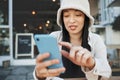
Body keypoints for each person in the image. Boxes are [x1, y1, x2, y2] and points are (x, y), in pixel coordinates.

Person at [33, 0, 112, 80]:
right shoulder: (54, 38)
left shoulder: (96, 40)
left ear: (86, 18)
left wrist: (92, 64)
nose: (71, 21)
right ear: (62, 19)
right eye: (66, 15)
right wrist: (39, 75)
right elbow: (45, 73)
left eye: (78, 15)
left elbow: (106, 74)